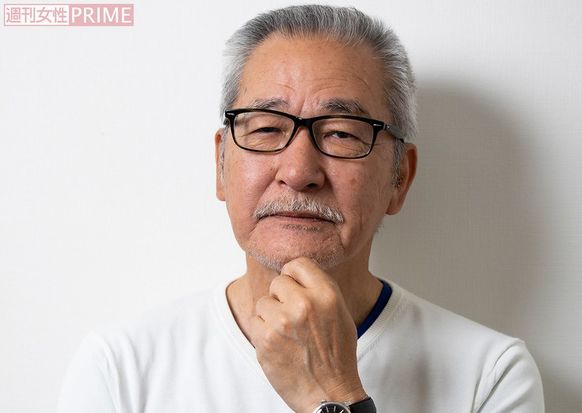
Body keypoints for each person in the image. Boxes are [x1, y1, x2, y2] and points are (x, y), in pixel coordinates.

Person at [58, 5, 544, 412]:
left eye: (341, 133)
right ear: (221, 165)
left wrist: (332, 395)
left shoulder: (491, 375)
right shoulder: (122, 368)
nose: (298, 171)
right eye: (267, 128)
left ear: (400, 178)